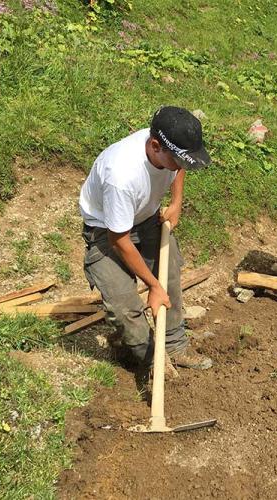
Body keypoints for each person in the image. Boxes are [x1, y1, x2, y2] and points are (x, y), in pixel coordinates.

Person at [79, 106, 214, 374]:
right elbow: (119, 239)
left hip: (147, 219)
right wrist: (152, 286)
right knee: (125, 308)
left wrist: (176, 202)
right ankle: (152, 359)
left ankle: (174, 345)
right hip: (106, 233)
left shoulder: (168, 147)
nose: (181, 166)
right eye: (179, 160)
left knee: (171, 274)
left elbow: (179, 167)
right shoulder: (121, 175)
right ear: (155, 146)